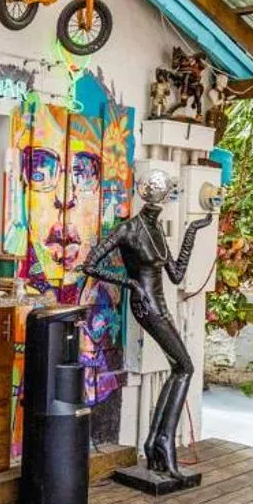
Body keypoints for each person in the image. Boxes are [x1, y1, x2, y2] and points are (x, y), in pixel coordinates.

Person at [80, 169, 208, 482]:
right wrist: (131, 285)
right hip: (146, 304)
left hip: (160, 303)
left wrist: (192, 230)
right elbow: (90, 264)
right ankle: (162, 442)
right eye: (162, 193)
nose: (162, 199)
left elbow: (176, 274)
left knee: (181, 367)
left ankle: (156, 442)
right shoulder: (129, 229)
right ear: (150, 194)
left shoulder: (155, 229)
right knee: (185, 367)